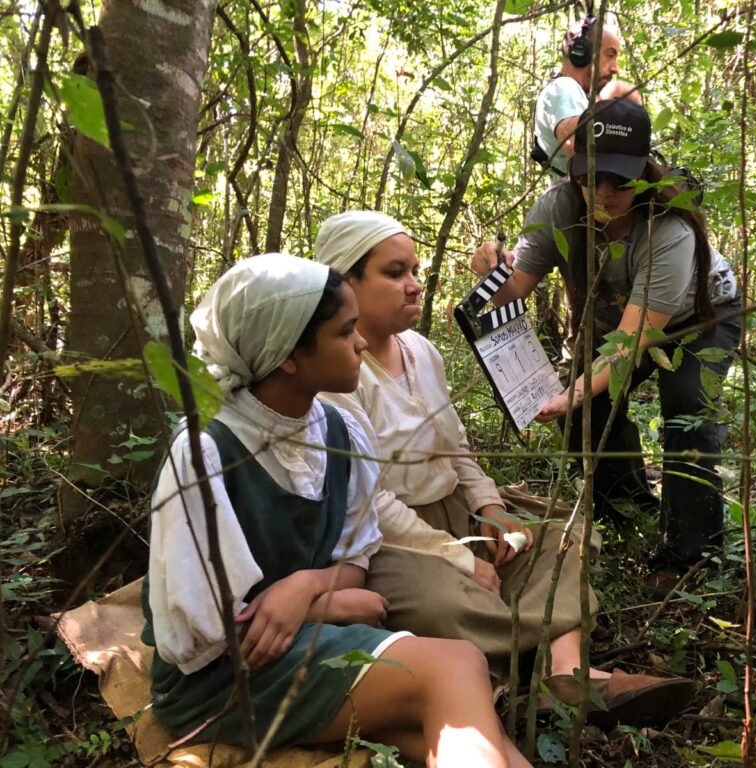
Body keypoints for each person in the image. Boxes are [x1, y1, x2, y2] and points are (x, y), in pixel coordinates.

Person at [142, 253, 529, 767]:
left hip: (305, 642)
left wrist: (307, 588)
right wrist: (331, 605)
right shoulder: (207, 454)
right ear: (288, 354)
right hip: (223, 677)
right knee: (455, 666)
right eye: (345, 332)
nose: (362, 343)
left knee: (463, 730)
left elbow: (355, 561)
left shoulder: (336, 432)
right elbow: (201, 635)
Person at [315, 212, 693, 728]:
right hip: (394, 538)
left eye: (415, 271)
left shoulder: (420, 351)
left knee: (561, 536)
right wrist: (458, 558)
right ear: (345, 282)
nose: (415, 285)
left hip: (456, 511)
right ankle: (509, 674)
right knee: (441, 604)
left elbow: (455, 445)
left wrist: (489, 507)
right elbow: (369, 496)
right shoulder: (336, 372)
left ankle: (565, 671)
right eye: (395, 273)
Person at [473, 100, 741, 584]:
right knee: (586, 411)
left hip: (698, 317)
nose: (603, 192)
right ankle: (629, 511)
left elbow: (632, 342)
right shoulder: (558, 207)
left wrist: (573, 393)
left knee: (687, 405)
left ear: (644, 171)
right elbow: (515, 289)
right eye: (591, 176)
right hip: (620, 316)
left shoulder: (670, 228)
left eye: (620, 180)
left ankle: (692, 555)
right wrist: (491, 270)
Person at [534, 13, 641, 183]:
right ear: (581, 52)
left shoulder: (574, 93)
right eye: (610, 55)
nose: (615, 68)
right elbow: (584, 153)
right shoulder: (563, 88)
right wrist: (609, 98)